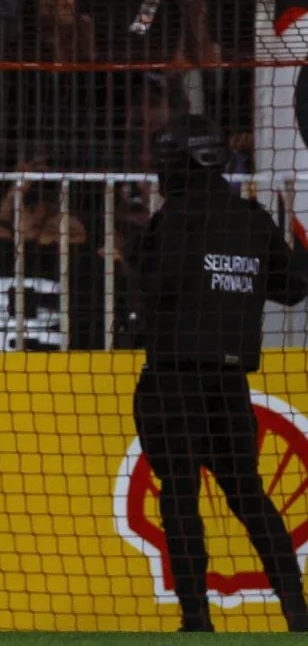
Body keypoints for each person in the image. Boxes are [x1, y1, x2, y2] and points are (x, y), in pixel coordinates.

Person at [127, 113, 308, 632]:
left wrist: (136, 253)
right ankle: (297, 612)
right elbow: (291, 288)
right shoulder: (252, 218)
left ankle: (196, 619)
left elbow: (156, 289)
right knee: (249, 494)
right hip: (230, 387)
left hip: (173, 383)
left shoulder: (170, 220)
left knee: (180, 494)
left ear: (184, 163)